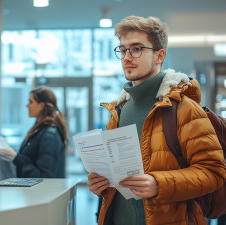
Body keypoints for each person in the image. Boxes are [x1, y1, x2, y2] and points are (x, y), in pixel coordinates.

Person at [87, 16, 226, 225]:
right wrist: (101, 185)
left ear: (160, 55)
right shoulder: (118, 110)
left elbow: (213, 172)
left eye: (136, 49)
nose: (126, 57)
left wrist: (159, 184)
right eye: (123, 50)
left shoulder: (184, 109)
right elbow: (118, 179)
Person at [0, 86, 69, 178]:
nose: (27, 105)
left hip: (42, 192)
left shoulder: (49, 135)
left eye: (31, 102)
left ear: (41, 106)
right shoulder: (39, 130)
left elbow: (44, 176)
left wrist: (16, 157)